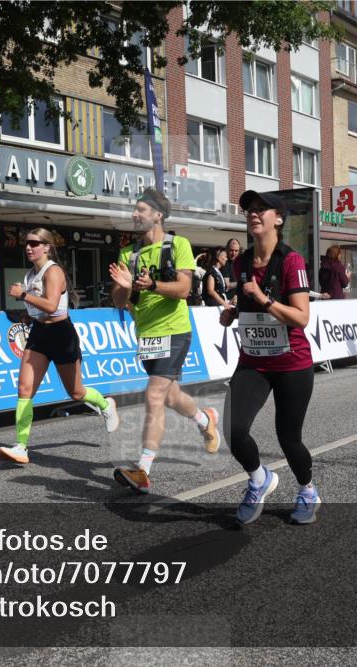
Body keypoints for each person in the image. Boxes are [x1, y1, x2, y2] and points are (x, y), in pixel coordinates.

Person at [108, 187, 220, 494]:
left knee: (154, 395)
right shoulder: (128, 254)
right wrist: (124, 285)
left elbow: (184, 289)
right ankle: (204, 419)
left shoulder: (178, 244)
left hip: (175, 329)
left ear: (158, 215)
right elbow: (120, 301)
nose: (135, 215)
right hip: (146, 334)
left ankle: (143, 470)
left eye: (141, 210)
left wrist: (153, 284)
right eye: (134, 210)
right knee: (170, 396)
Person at [219, 190, 318, 525]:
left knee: (289, 438)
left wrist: (262, 299)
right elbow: (246, 303)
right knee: (232, 429)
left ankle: (307, 490)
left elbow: (301, 317)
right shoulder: (241, 261)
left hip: (292, 363)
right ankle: (259, 479)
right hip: (254, 361)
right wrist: (232, 312)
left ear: (278, 219)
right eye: (249, 210)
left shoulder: (291, 261)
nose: (254, 214)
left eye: (262, 209)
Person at [0, 228, 119, 464]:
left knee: (75, 391)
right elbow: (41, 308)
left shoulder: (53, 271)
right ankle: (21, 446)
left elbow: (53, 305)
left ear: (47, 247)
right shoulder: (30, 275)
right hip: (40, 334)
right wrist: (28, 315)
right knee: (24, 389)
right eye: (27, 243)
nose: (28, 247)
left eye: (34, 243)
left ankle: (105, 404)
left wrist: (23, 296)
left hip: (62, 334)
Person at [221, 238, 242, 302]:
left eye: (236, 251)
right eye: (231, 250)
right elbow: (227, 285)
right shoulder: (225, 263)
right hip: (228, 300)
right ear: (226, 249)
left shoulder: (240, 262)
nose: (234, 253)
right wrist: (242, 283)